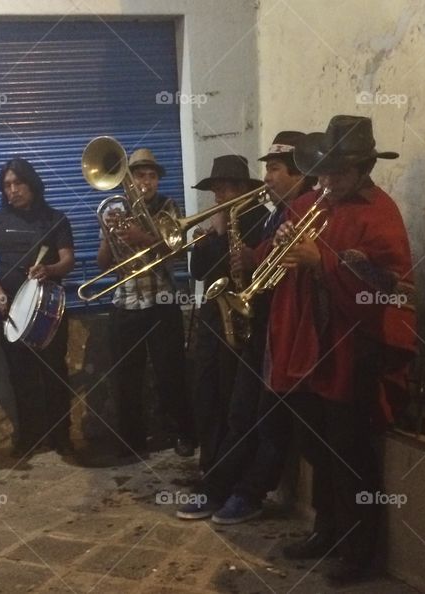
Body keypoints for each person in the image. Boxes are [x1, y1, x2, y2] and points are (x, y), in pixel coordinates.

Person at [271, 116, 417, 585]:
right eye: (322, 171)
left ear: (363, 168)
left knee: (349, 451)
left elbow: (390, 286)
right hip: (306, 342)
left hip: (351, 348)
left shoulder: (380, 212)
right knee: (315, 443)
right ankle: (326, 528)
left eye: (337, 173)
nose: (326, 182)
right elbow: (281, 260)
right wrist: (280, 246)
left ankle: (360, 551)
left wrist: (323, 261)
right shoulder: (310, 202)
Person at [177, 132, 315, 524]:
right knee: (238, 411)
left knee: (265, 419)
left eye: (273, 169)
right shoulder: (275, 213)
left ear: (297, 173)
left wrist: (247, 257)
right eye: (267, 169)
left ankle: (246, 492)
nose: (267, 177)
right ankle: (219, 487)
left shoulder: (290, 212)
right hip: (255, 325)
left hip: (279, 329)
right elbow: (199, 271)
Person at [96, 147, 195, 458]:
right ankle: (131, 443)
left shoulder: (168, 207)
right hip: (125, 302)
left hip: (162, 300)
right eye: (140, 175)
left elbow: (178, 253)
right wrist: (108, 233)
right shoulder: (116, 211)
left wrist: (143, 238)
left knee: (171, 373)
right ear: (128, 179)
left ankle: (183, 434)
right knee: (126, 378)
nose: (147, 182)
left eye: (152, 176)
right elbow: (103, 265)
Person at [0, 158, 75, 457]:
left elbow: (67, 261)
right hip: (11, 312)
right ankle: (29, 437)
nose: (12, 190)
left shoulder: (55, 219)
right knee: (21, 377)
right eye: (6, 185)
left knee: (55, 374)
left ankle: (62, 438)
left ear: (31, 184)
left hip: (49, 311)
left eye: (18, 183)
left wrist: (50, 270)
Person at [186, 155, 265, 473]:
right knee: (203, 387)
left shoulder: (260, 219)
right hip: (211, 315)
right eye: (215, 191)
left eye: (224, 190)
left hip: (241, 318)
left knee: (229, 391)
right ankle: (209, 459)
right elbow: (198, 271)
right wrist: (204, 239)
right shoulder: (217, 222)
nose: (217, 198)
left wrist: (219, 236)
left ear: (243, 189)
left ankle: (230, 468)